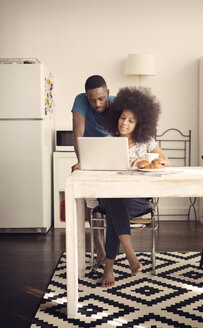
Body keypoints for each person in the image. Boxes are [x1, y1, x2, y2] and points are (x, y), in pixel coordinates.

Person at [98, 86, 169, 288]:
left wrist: (145, 161)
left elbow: (165, 162)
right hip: (111, 196)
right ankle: (130, 254)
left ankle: (109, 268)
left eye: (131, 120)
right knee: (114, 199)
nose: (125, 123)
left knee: (115, 207)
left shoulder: (146, 142)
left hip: (136, 199)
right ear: (116, 117)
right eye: (122, 118)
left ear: (139, 124)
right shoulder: (109, 141)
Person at [71, 75, 115, 265]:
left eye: (100, 98)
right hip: (89, 155)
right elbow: (77, 132)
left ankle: (112, 247)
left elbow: (125, 133)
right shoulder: (80, 100)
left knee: (110, 200)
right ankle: (98, 246)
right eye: (92, 99)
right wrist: (83, 162)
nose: (96, 104)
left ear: (108, 93)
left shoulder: (116, 103)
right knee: (93, 200)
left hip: (111, 154)